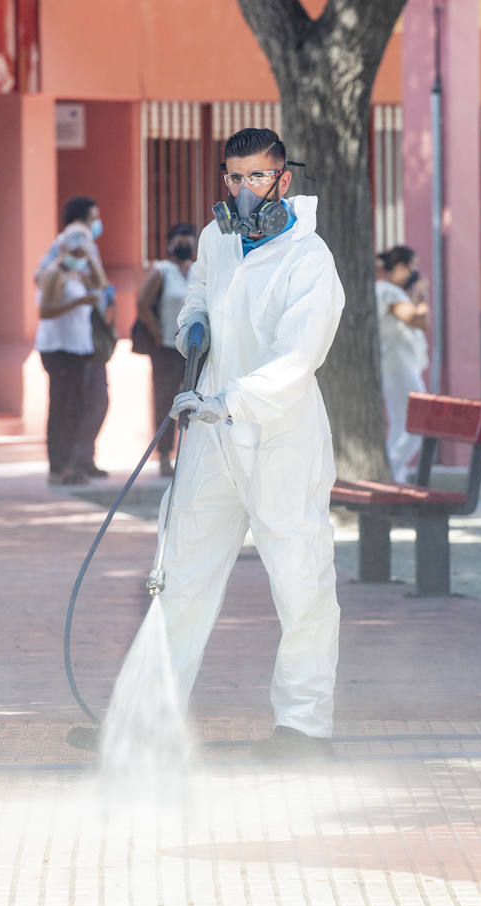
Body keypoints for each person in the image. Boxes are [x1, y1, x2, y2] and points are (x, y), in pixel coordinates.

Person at [163, 127, 345, 760]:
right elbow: (200, 290)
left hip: (279, 440)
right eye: (232, 178)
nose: (242, 192)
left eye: (256, 178)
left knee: (301, 584)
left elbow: (298, 358)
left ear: (282, 182)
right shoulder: (216, 239)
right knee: (181, 575)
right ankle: (151, 719)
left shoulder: (309, 259)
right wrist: (193, 324)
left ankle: (303, 729)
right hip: (212, 439)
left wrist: (227, 402)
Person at [37, 195, 112, 479]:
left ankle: (72, 463)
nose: (84, 242)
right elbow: (45, 310)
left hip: (80, 349)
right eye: (78, 239)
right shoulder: (55, 272)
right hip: (59, 349)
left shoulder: (79, 273)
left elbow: (100, 285)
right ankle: (60, 466)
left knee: (77, 406)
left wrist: (90, 262)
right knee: (62, 407)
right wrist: (77, 304)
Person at [134, 223, 196, 477]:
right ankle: (163, 456)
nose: (185, 245)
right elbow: (142, 303)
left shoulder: (197, 271)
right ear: (170, 243)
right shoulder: (162, 271)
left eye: (189, 240)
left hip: (193, 349)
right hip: (167, 349)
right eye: (180, 240)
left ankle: (192, 455)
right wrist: (157, 332)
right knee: (165, 400)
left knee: (195, 399)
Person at [375, 246, 430, 483]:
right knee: (420, 423)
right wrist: (423, 301)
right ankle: (391, 471)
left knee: (401, 425)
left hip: (397, 366)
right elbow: (418, 321)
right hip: (399, 367)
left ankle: (395, 476)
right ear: (399, 268)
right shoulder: (388, 292)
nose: (414, 272)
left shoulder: (389, 292)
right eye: (412, 267)